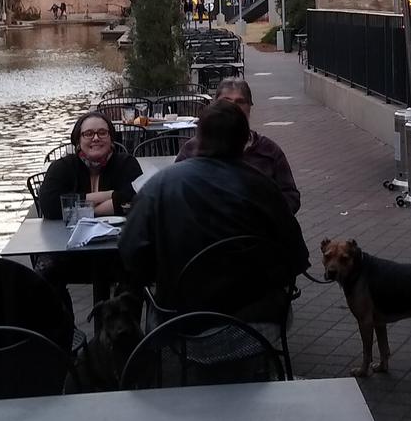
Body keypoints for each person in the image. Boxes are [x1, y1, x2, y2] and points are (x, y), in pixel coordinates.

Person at [119, 99, 309, 317]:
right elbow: (294, 258)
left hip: (178, 323)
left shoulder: (160, 186)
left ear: (197, 139)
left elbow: (130, 251)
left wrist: (165, 269)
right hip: (253, 323)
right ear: (243, 141)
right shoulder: (264, 189)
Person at [174, 77, 301, 213]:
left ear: (250, 107)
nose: (233, 107)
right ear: (214, 105)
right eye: (226, 101)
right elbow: (176, 191)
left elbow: (291, 196)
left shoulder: (269, 151)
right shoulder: (191, 149)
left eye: (240, 102)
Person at [36, 110, 142, 220]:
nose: (96, 138)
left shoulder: (127, 163)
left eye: (102, 133)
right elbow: (49, 206)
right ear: (78, 141)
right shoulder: (62, 167)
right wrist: (111, 195)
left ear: (111, 139)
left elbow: (139, 200)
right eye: (88, 134)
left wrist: (83, 210)